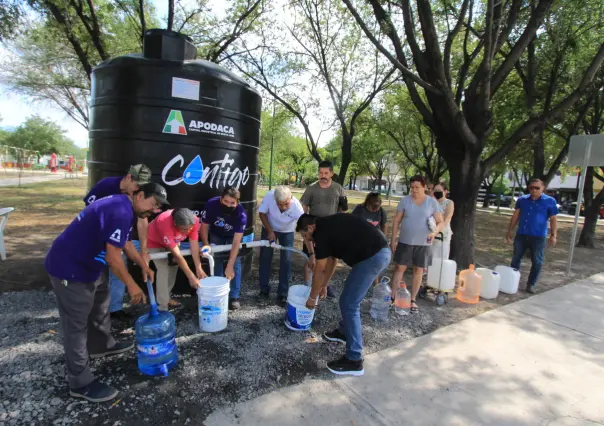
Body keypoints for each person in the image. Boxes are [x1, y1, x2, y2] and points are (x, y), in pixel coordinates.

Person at [44, 182, 169, 402]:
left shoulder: (125, 207)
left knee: (101, 300)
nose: (155, 210)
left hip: (91, 266)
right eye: (154, 203)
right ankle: (80, 383)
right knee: (76, 326)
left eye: (158, 207)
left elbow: (126, 244)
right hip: (70, 269)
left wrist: (143, 264)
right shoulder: (120, 210)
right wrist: (131, 284)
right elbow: (113, 258)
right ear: (139, 195)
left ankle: (101, 344)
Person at [297, 213, 391, 376]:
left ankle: (354, 359)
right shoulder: (327, 224)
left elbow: (320, 269)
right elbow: (333, 260)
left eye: (305, 235)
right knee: (349, 299)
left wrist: (313, 297)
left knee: (349, 303)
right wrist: (324, 285)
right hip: (376, 252)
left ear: (311, 227)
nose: (307, 240)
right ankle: (345, 331)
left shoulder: (322, 233)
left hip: (373, 257)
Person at [83, 164, 154, 320]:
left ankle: (114, 309)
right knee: (95, 273)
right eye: (137, 185)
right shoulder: (106, 186)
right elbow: (89, 211)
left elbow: (142, 221)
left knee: (120, 268)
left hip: (118, 237)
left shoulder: (136, 195)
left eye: (142, 187)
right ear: (128, 177)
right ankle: (88, 310)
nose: (138, 189)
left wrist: (144, 251)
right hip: (97, 237)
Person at [391, 175, 444, 313]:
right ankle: (392, 297)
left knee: (418, 271)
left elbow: (441, 221)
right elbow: (397, 220)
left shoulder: (432, 202)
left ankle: (413, 300)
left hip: (424, 244)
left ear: (424, 187)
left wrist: (434, 232)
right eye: (412, 187)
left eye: (417, 187)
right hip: (405, 241)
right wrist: (393, 239)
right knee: (399, 269)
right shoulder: (405, 201)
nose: (414, 190)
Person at [300, 160, 347, 298]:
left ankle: (325, 285)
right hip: (314, 229)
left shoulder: (338, 188)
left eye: (326, 173)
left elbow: (342, 210)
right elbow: (304, 209)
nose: (323, 175)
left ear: (331, 173)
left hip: (332, 229)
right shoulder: (311, 189)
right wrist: (305, 227)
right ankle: (308, 285)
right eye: (320, 172)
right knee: (310, 258)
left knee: (332, 259)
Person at [147, 208, 206, 311]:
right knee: (163, 269)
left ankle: (167, 297)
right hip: (154, 241)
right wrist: (191, 276)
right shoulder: (164, 223)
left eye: (190, 228)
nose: (187, 232)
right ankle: (162, 307)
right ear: (175, 223)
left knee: (173, 267)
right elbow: (178, 256)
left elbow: (194, 246)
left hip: (173, 239)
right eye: (184, 229)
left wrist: (198, 268)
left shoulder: (194, 220)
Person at [505, 178, 558, 293]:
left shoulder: (550, 201)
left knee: (537, 261)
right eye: (531, 188)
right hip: (522, 235)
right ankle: (512, 281)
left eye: (537, 188)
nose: (534, 190)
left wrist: (553, 235)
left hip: (538, 237)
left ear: (543, 188)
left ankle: (531, 284)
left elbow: (553, 219)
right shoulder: (522, 200)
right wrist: (509, 231)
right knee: (515, 259)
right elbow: (516, 216)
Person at [200, 187, 247, 310]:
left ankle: (234, 297)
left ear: (237, 203)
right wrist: (206, 243)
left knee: (235, 263)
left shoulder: (241, 215)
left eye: (232, 203)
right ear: (221, 199)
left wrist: (230, 264)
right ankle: (218, 292)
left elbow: (237, 241)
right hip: (216, 235)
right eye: (226, 201)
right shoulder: (211, 204)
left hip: (232, 237)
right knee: (216, 261)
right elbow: (204, 226)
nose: (228, 205)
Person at [258, 186, 304, 305]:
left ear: (291, 198)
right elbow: (262, 213)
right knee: (265, 258)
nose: (283, 207)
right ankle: (264, 289)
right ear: (275, 200)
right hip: (269, 227)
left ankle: (283, 293)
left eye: (286, 204)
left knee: (286, 260)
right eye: (279, 204)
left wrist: (312, 251)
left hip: (287, 232)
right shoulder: (269, 196)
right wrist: (269, 231)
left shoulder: (297, 208)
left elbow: (304, 227)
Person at [432, 182, 454, 260]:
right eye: (435, 190)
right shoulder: (431, 202)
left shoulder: (449, 203)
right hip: (430, 233)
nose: (437, 192)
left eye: (439, 190)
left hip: (442, 234)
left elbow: (447, 218)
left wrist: (437, 230)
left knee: (440, 257)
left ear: (445, 191)